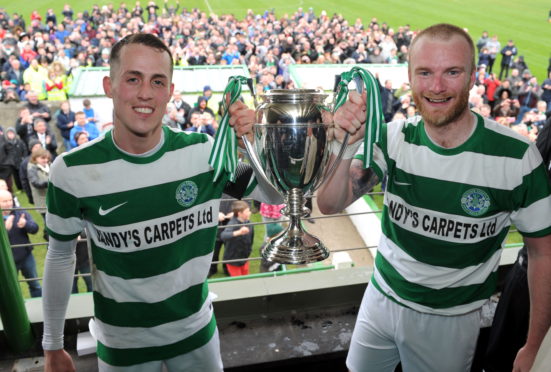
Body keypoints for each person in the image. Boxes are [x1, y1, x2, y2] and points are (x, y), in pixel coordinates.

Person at [317, 23, 551, 372]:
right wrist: (344, 146)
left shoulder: (517, 158)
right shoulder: (393, 138)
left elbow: (543, 253)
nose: (437, 87)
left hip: (450, 320)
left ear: (473, 75)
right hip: (380, 298)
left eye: (452, 72)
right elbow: (329, 204)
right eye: (424, 72)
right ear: (409, 77)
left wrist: (534, 345)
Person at [41, 32, 280, 372]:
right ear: (109, 86)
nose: (144, 93)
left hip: (197, 335)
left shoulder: (206, 154)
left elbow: (275, 195)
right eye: (133, 79)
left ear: (170, 92)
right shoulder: (71, 171)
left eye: (157, 82)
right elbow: (61, 256)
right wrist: (51, 345)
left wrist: (256, 145)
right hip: (123, 347)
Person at [0, 189, 42, 297]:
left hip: (26, 256)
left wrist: (26, 224)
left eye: (10, 200)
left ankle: (40, 307)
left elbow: (35, 229)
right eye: (4, 201)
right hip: (7, 260)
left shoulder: (20, 212)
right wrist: (5, 230)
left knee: (35, 284)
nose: (9, 203)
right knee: (11, 288)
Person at [221, 200, 254, 277]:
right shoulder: (232, 224)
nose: (250, 212)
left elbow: (251, 239)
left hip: (245, 258)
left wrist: (249, 250)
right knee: (238, 281)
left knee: (246, 279)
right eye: (247, 211)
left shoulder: (249, 223)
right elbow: (223, 235)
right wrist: (239, 232)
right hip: (233, 260)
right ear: (239, 214)